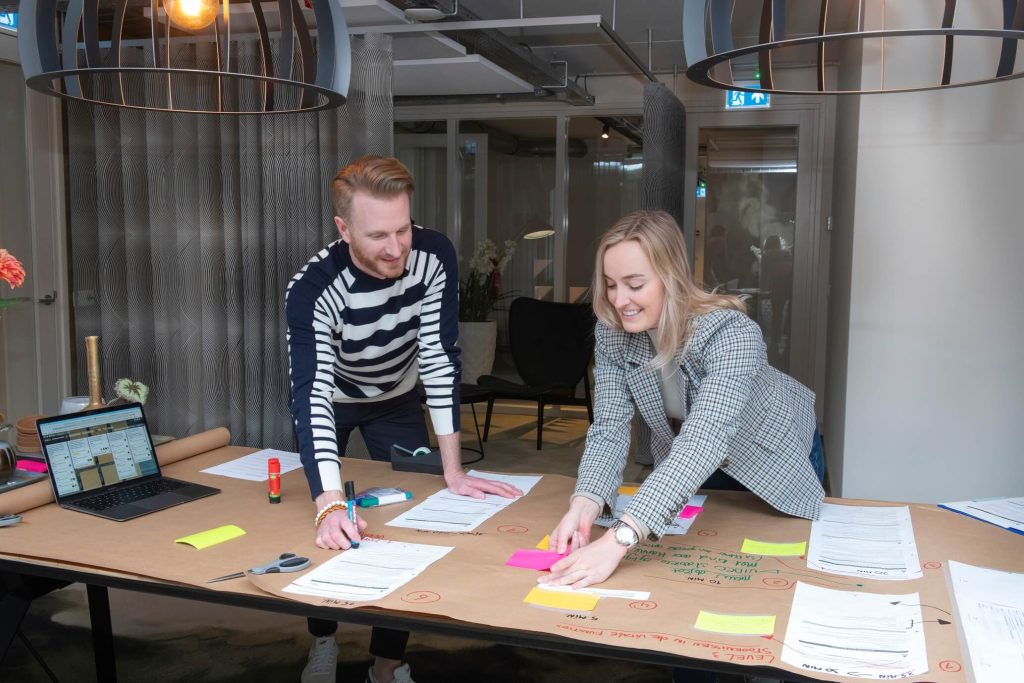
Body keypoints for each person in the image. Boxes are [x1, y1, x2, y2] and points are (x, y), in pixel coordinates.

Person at [286, 155, 521, 683]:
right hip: (336, 399)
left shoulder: (433, 253)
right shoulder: (311, 289)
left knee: (414, 520)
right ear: (343, 229)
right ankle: (323, 641)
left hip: (397, 396)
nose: (396, 249)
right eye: (378, 236)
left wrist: (454, 469)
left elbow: (440, 357)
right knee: (328, 521)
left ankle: (387, 664)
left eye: (403, 229)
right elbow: (313, 394)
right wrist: (326, 503)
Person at [539, 209, 825, 596]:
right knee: (692, 581)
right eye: (610, 285)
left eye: (634, 285)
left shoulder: (732, 333)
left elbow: (704, 439)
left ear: (670, 278)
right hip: (685, 465)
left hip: (769, 456)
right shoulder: (613, 335)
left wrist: (619, 540)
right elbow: (609, 428)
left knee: (761, 583)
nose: (620, 300)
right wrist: (584, 505)